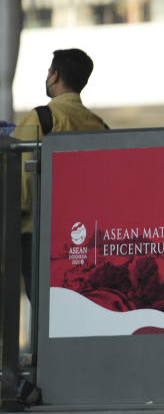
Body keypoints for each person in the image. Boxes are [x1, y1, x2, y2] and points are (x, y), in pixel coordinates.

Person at [12, 49, 109, 298]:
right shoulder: (99, 126)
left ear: (55, 76)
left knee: (45, 315)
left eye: (48, 71)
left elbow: (21, 190)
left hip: (40, 237)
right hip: (87, 239)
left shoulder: (42, 119)